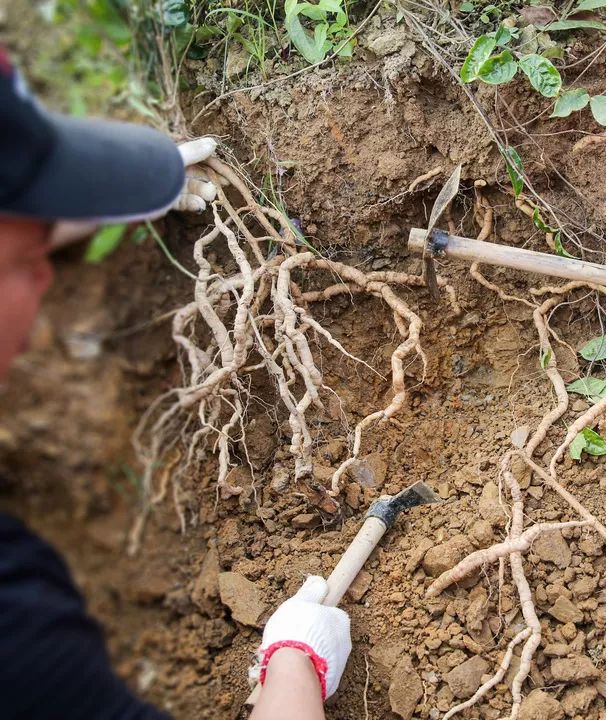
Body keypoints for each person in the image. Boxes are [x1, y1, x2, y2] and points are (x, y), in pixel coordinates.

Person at [0, 50, 351, 718]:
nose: (44, 274)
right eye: (23, 261)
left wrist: (108, 195)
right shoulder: (16, 627)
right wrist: (295, 667)